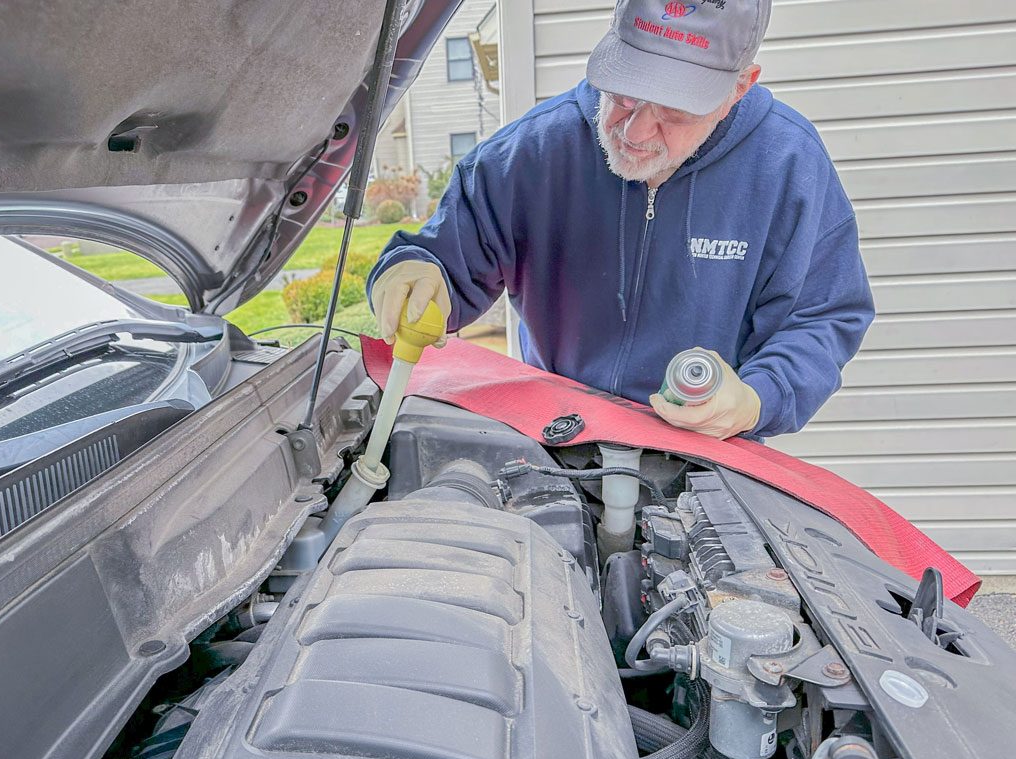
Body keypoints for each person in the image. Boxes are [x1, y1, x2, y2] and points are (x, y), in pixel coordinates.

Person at [366, 0, 874, 439]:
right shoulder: (537, 152)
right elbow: (442, 261)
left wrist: (759, 398)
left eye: (674, 111)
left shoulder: (787, 164)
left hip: (706, 459)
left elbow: (821, 315)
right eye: (626, 93)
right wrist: (415, 269)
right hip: (557, 438)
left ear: (738, 88)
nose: (633, 129)